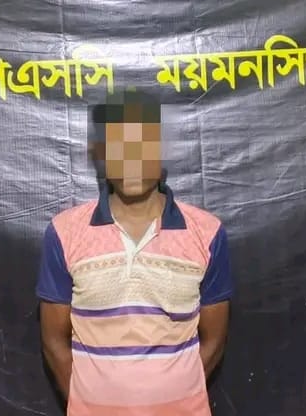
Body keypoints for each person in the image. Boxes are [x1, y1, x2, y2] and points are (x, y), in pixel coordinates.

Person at [35, 90, 233, 415]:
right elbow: (54, 342)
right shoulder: (64, 232)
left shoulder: (207, 233)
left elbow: (214, 341)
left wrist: (176, 397)